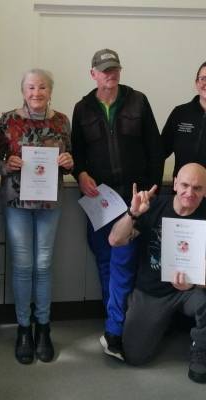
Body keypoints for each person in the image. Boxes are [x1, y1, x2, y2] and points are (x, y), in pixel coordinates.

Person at [71, 48, 164, 360]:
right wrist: (81, 173)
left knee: (130, 262)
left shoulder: (138, 101)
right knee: (106, 262)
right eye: (104, 70)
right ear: (93, 74)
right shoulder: (82, 108)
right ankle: (115, 325)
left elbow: (155, 149)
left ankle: (121, 327)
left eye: (115, 69)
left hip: (134, 199)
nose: (111, 75)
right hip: (101, 199)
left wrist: (151, 192)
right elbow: (77, 153)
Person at [0, 68, 73, 364]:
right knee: (23, 265)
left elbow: (68, 161)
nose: (36, 93)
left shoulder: (62, 120)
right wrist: (6, 163)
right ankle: (24, 329)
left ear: (50, 91)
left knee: (44, 264)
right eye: (31, 88)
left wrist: (68, 160)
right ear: (23, 91)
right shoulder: (8, 120)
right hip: (16, 202)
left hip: (50, 202)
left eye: (42, 88)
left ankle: (44, 328)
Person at [108, 163, 206, 384]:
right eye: (185, 185)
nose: (190, 193)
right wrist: (132, 213)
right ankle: (158, 318)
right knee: (135, 356)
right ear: (174, 183)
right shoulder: (153, 206)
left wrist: (196, 283)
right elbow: (115, 240)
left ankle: (201, 349)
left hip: (192, 291)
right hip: (152, 290)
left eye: (198, 188)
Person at [162, 61, 206, 180]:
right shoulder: (180, 113)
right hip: (183, 192)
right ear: (196, 83)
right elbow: (160, 153)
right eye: (203, 78)